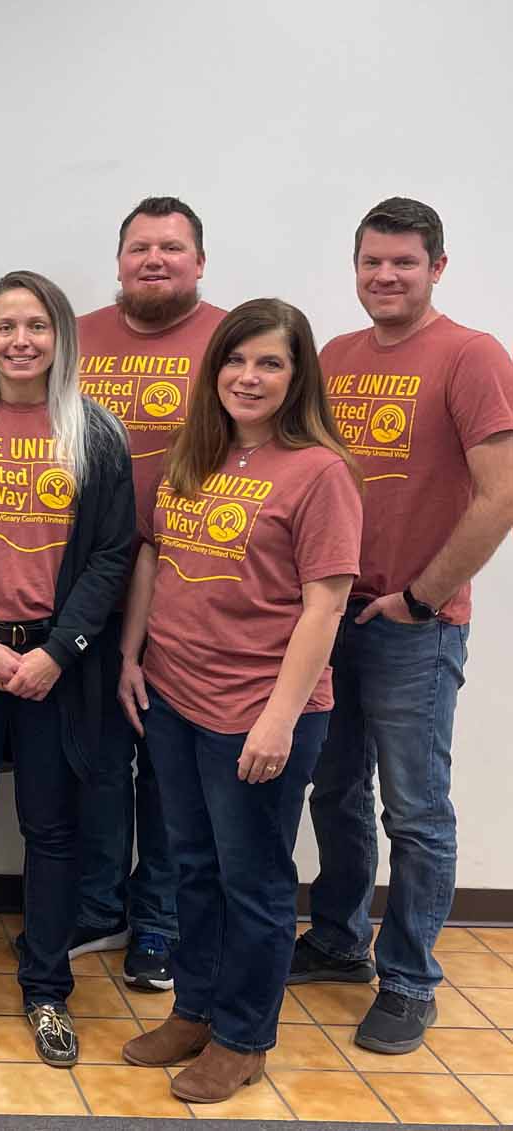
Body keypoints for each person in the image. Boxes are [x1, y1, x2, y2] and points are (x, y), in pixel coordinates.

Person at [119, 298, 363, 1102]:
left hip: (257, 710)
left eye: (270, 363)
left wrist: (280, 718)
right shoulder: (197, 453)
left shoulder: (321, 471)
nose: (248, 377)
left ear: (298, 378)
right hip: (176, 696)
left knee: (252, 879)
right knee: (190, 865)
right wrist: (132, 653)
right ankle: (194, 1009)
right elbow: (156, 557)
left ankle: (245, 1036)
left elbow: (324, 605)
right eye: (236, 360)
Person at [292, 198, 513, 1055]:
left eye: (404, 264)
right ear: (355, 267)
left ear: (438, 268)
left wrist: (421, 598)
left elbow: (501, 496)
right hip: (332, 613)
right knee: (335, 789)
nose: (385, 276)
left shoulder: (472, 356)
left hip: (414, 627)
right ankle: (341, 939)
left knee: (416, 810)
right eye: (372, 262)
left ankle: (412, 976)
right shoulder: (337, 355)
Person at [0, 271, 132, 1068]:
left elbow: (111, 558)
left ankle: (46, 991)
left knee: (52, 828)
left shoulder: (96, 432)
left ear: (60, 335)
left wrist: (54, 653)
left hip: (55, 665)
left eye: (36, 325)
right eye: (5, 327)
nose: (21, 341)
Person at [74, 196, 227, 991]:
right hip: (87, 583)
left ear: (201, 261)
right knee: (99, 760)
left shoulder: (232, 340)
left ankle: (158, 923)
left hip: (191, 584)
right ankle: (98, 907)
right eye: (140, 247)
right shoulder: (80, 338)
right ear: (120, 260)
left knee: (168, 769)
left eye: (172, 247)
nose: (155, 259)